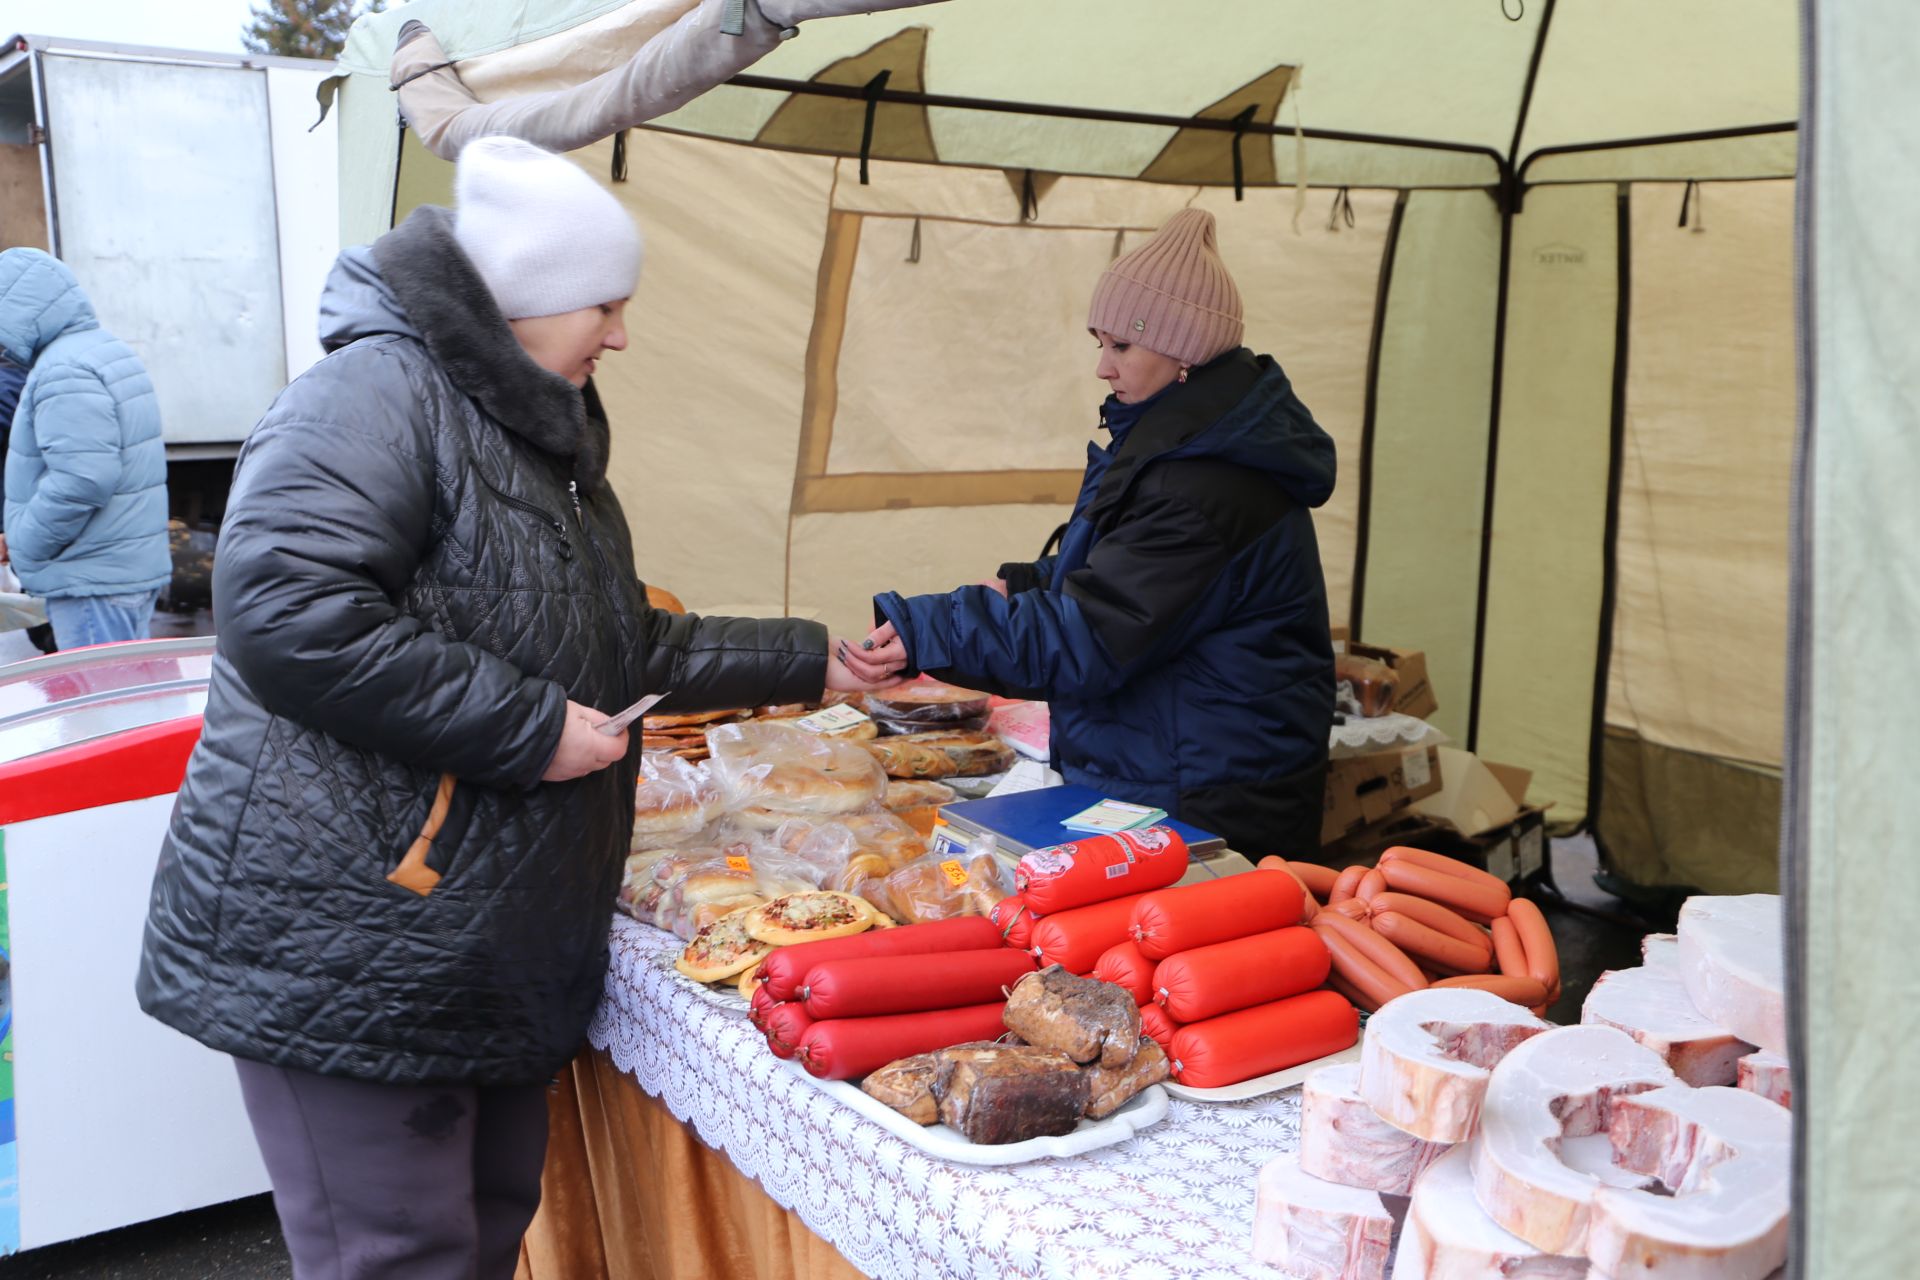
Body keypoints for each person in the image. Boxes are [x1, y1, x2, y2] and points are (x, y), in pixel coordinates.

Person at [135, 137, 900, 1280]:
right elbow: (289, 609)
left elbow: (620, 642)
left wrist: (812, 660)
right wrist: (532, 727)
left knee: (485, 1228)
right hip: (356, 929)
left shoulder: (537, 432)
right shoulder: (372, 393)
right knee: (396, 1253)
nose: (622, 334)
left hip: (476, 935)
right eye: (607, 303)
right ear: (528, 299)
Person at [862, 209, 1336, 858]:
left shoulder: (1205, 481)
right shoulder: (1180, 445)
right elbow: (1137, 583)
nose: (1103, 369)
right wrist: (1034, 583)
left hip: (1209, 791)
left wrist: (930, 629)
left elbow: (1093, 636)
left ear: (1184, 355)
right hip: (1178, 767)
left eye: (1121, 346)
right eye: (1099, 343)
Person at [0, 248, 171, 647]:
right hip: (113, 570)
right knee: (126, 702)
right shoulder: (101, 351)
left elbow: (82, 480)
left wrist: (25, 539)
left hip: (91, 580)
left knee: (103, 705)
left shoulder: (64, 369)